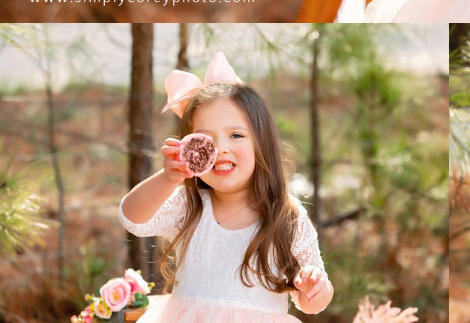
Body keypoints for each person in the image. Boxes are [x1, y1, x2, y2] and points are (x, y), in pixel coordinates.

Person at [119, 53, 333, 323]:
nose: (220, 149)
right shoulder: (189, 203)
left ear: (261, 143)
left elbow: (313, 304)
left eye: (236, 135)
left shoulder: (287, 216)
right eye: (205, 139)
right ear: (189, 147)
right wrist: (168, 177)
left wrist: (314, 287)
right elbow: (132, 218)